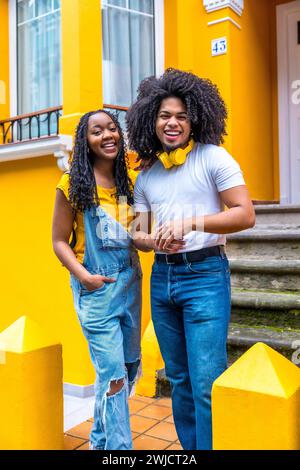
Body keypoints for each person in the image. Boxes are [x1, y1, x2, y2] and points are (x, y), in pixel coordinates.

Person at [127, 68, 256, 450]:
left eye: (182, 116)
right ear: (152, 120)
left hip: (205, 275)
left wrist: (191, 222)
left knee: (206, 380)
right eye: (165, 115)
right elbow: (137, 233)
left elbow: (245, 213)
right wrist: (153, 240)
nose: (173, 123)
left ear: (194, 118)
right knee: (180, 378)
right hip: (162, 278)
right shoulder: (146, 176)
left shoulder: (214, 157)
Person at [52, 109, 142, 450]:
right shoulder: (72, 185)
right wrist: (85, 276)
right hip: (97, 293)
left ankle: (99, 441)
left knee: (124, 371)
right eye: (96, 131)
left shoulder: (128, 184)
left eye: (112, 128)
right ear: (84, 141)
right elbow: (59, 241)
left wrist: (169, 235)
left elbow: (140, 238)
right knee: (115, 377)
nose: (107, 135)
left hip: (131, 288)